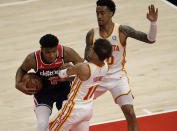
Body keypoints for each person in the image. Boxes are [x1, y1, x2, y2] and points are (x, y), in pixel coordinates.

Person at [84, 0, 158, 131]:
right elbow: (86, 61)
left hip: (117, 78)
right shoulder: (92, 34)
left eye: (102, 13)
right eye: (97, 13)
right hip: (97, 78)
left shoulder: (123, 30)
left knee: (130, 113)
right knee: (76, 109)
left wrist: (153, 23)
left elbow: (150, 39)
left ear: (111, 13)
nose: (99, 16)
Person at [15, 34, 83, 131]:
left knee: (73, 121)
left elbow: (85, 71)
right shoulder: (33, 58)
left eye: (54, 51)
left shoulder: (67, 52)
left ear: (57, 48)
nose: (51, 55)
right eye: (48, 52)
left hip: (64, 91)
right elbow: (22, 70)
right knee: (42, 124)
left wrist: (71, 72)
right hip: (43, 93)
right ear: (41, 49)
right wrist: (18, 84)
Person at [49, 38, 112, 131]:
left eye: (92, 48)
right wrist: (69, 76)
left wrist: (69, 68)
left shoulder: (83, 67)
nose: (90, 48)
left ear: (96, 55)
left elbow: (61, 73)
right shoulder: (105, 67)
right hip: (88, 109)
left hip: (74, 108)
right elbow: (84, 80)